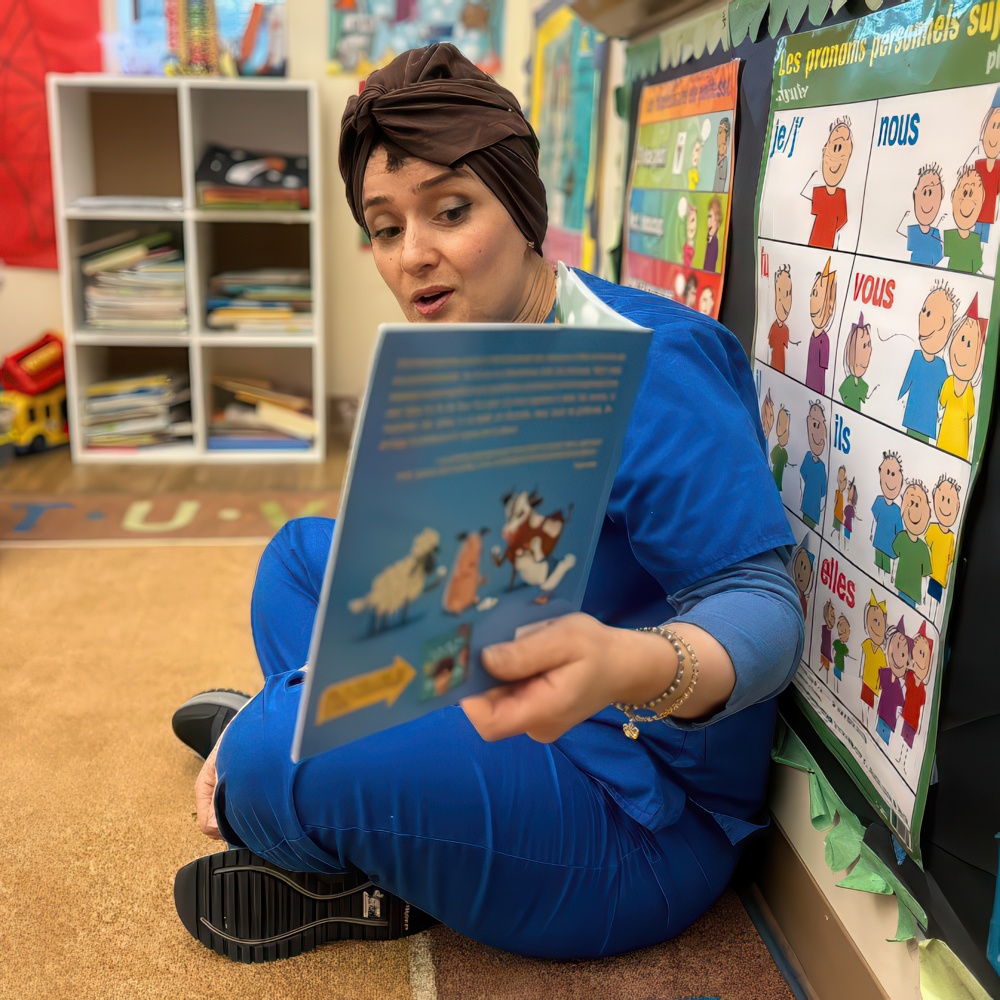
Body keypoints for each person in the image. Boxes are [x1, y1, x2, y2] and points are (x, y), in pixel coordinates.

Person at [170, 43, 804, 965]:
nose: (413, 257)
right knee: (296, 561)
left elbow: (767, 612)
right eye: (386, 229)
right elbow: (471, 560)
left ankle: (314, 784)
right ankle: (366, 798)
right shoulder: (481, 337)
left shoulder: (649, 360)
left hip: (643, 815)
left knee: (270, 760)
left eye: (451, 211)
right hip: (502, 691)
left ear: (522, 207)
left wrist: (624, 661)